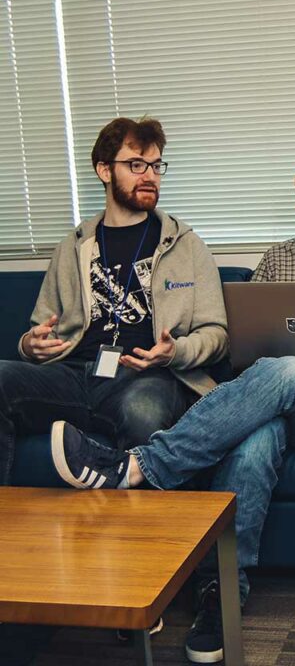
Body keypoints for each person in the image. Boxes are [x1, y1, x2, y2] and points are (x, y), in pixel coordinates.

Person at [50, 158, 295, 664]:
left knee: (288, 371)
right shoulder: (280, 260)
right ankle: (220, 596)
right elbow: (242, 340)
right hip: (276, 397)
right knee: (255, 434)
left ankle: (142, 466)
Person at [0, 117, 226, 487]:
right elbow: (40, 328)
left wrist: (175, 352)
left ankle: (144, 542)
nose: (150, 176)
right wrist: (30, 344)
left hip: (148, 375)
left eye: (156, 166)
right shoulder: (73, 247)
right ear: (104, 170)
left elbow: (217, 334)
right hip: (73, 373)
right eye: (136, 165)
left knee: (143, 410)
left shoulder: (186, 245)